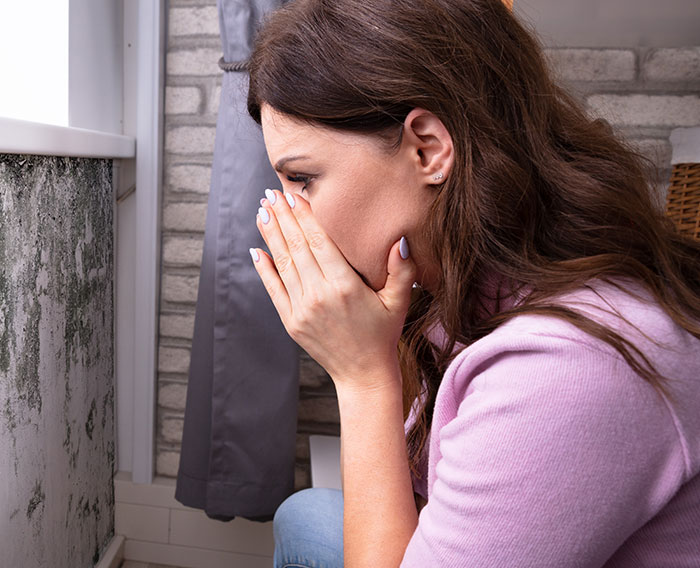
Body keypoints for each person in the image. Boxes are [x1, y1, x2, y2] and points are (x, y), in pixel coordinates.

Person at [243, 0, 700, 566]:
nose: (290, 215)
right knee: (305, 514)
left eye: (304, 179)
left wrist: (363, 378)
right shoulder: (463, 271)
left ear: (427, 148)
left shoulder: (569, 369)